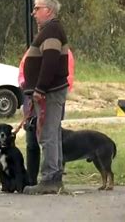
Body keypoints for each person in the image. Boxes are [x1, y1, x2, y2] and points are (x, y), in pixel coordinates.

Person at [22, 0, 69, 194]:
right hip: (49, 90)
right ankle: (54, 175)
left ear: (48, 10)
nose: (33, 13)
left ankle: (50, 178)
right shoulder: (50, 31)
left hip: (49, 92)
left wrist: (40, 89)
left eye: (37, 8)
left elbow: (50, 62)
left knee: (48, 134)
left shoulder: (51, 31)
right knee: (53, 133)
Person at [19, 48, 74, 186]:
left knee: (52, 135)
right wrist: (26, 86)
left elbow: (68, 76)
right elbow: (22, 70)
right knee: (32, 138)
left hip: (51, 96)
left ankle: (53, 175)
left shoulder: (63, 52)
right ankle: (31, 179)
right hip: (31, 94)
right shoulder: (33, 50)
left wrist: (45, 89)